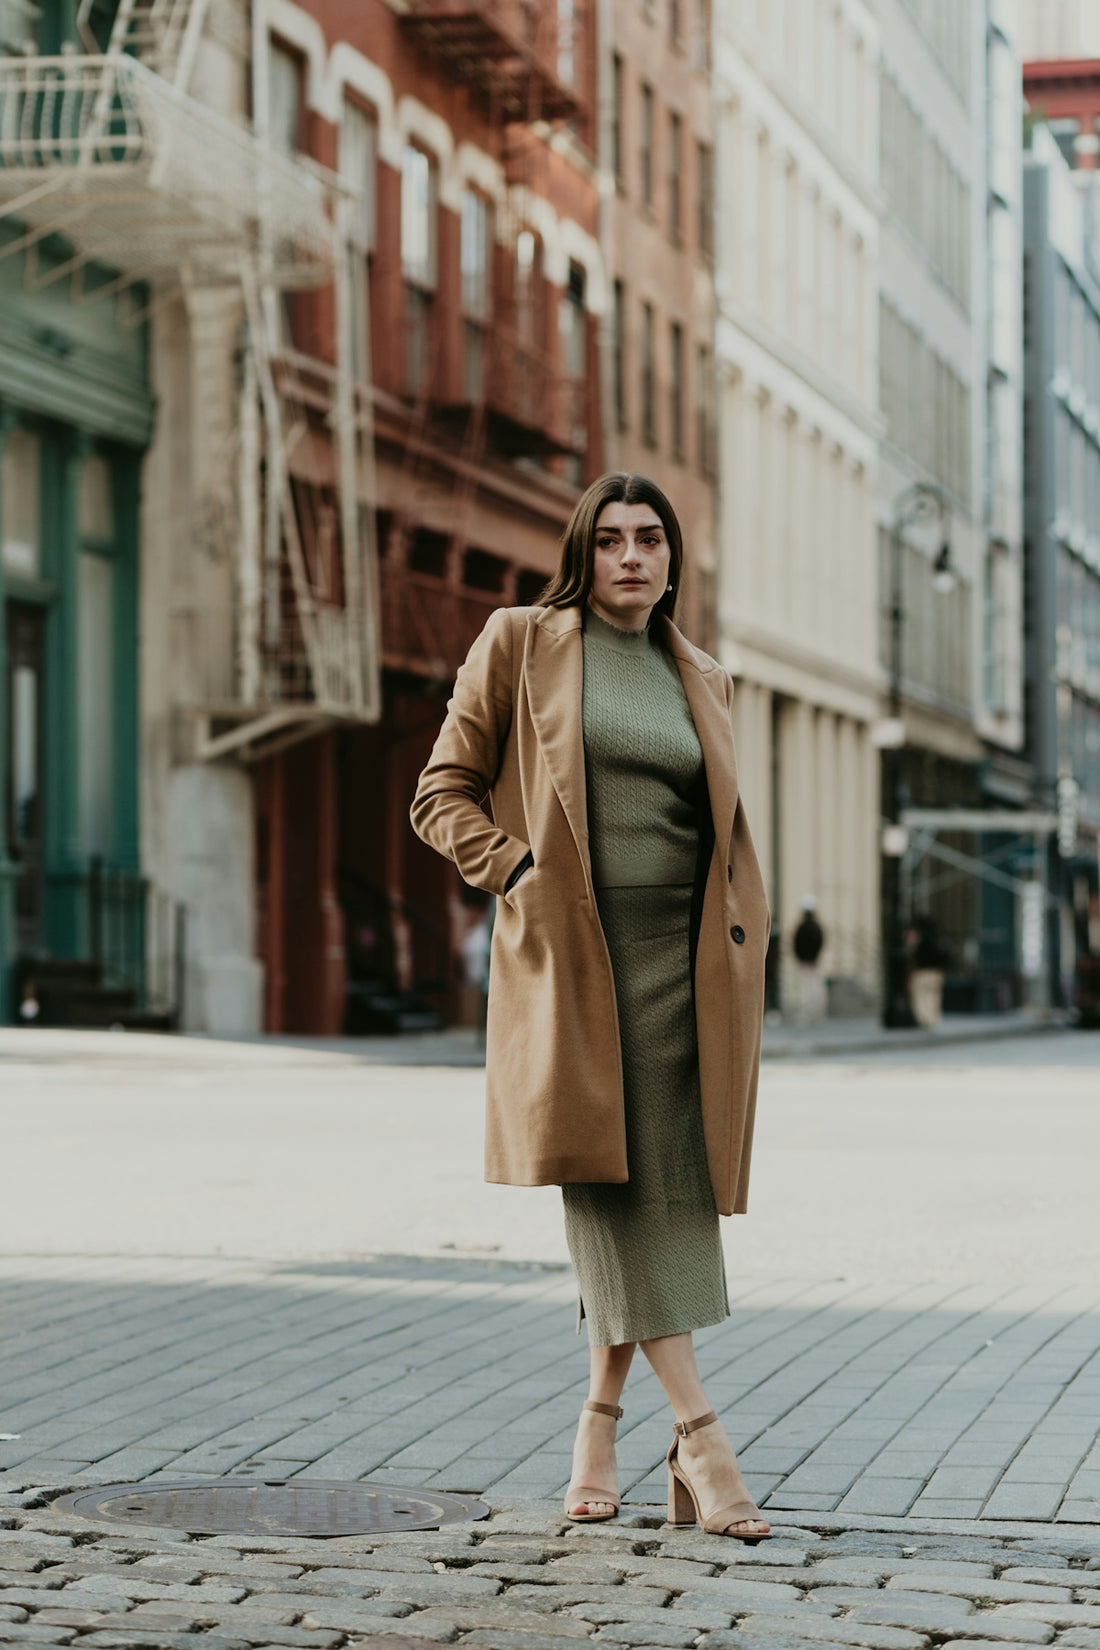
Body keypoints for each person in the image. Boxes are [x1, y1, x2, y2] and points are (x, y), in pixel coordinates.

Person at [411, 472, 770, 1541]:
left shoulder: (698, 672)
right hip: (576, 958)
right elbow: (441, 792)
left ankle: (601, 1420)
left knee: (670, 1190)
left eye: (648, 540)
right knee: (611, 1185)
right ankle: (701, 1437)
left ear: (671, 557)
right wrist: (517, 873)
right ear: (583, 549)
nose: (629, 557)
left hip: (688, 965)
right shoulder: (522, 640)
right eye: (608, 539)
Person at [791, 896, 826, 1025]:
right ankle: (817, 1013)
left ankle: (807, 1014)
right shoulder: (816, 927)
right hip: (813, 962)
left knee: (805, 990)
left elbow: (797, 944)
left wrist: (802, 958)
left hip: (805, 962)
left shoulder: (802, 927)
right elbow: (820, 942)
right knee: (816, 989)